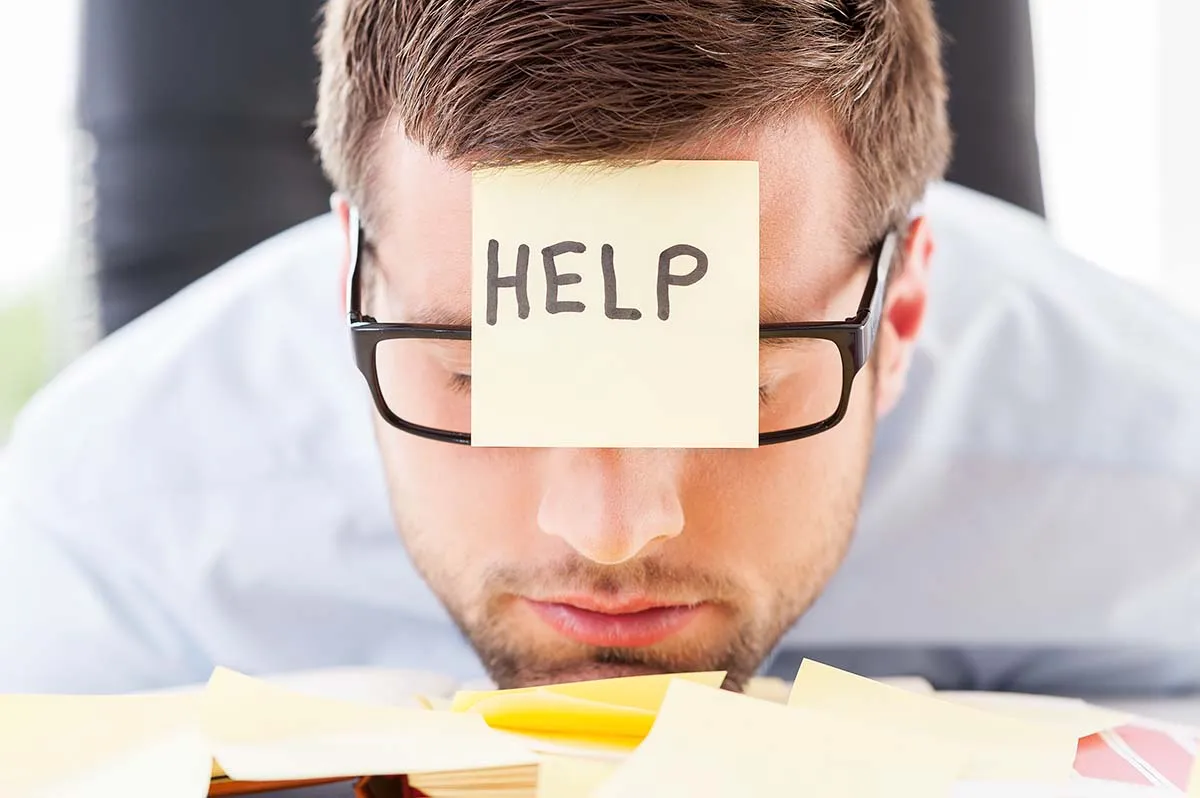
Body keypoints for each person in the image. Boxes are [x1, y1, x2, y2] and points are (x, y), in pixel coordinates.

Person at [3, 0, 1199, 697]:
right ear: (349, 283)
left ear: (894, 317)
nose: (611, 529)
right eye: (479, 375)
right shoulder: (112, 532)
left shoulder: (1156, 481)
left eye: (736, 382)